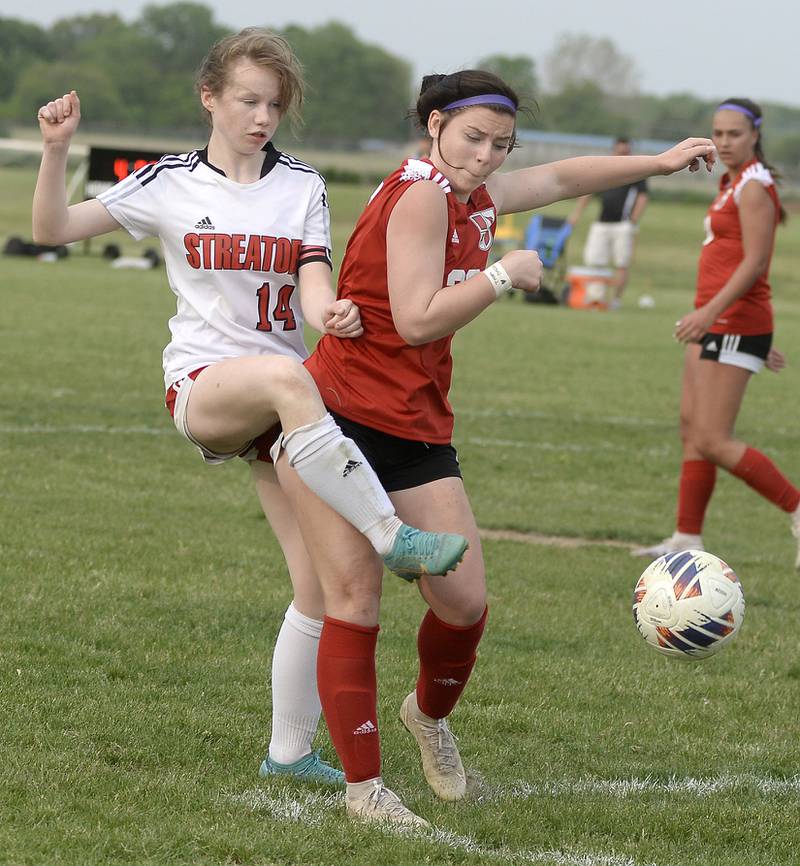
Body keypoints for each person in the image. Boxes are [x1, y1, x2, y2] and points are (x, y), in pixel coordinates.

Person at [269, 69, 715, 827]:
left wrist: (658, 163)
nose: (486, 158)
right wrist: (504, 275)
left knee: (464, 603)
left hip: (414, 424)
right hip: (336, 422)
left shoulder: (472, 192)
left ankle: (428, 717)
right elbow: (415, 320)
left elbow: (561, 174)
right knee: (355, 598)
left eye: (500, 145)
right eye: (473, 138)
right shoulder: (418, 195)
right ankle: (365, 791)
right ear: (435, 125)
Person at [31, 28, 468, 789]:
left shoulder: (301, 184)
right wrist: (57, 150)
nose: (263, 116)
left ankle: (289, 752)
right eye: (248, 101)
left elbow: (313, 279)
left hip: (283, 406)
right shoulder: (168, 181)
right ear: (209, 97)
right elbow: (51, 230)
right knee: (291, 379)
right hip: (208, 386)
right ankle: (393, 533)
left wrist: (329, 314)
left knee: (318, 587)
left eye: (275, 104)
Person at [633, 98, 800, 568]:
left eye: (734, 134)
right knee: (692, 429)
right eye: (718, 133)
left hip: (730, 323)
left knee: (711, 438)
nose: (724, 142)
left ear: (754, 136)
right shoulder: (731, 182)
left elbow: (755, 264)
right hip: (726, 324)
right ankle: (687, 537)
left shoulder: (754, 186)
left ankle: (796, 506)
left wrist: (711, 314)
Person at [568, 136, 649, 309]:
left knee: (621, 264)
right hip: (602, 223)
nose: (622, 155)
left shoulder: (636, 170)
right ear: (614, 151)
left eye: (626, 152)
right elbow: (588, 191)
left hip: (623, 224)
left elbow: (642, 196)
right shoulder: (605, 169)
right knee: (595, 261)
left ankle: (616, 301)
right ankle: (597, 298)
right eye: (620, 151)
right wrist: (576, 214)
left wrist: (634, 219)